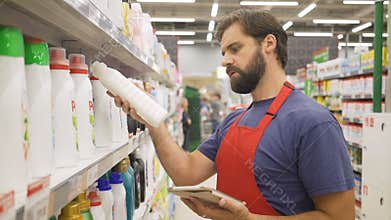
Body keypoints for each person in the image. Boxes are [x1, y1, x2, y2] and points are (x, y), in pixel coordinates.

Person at [109, 9, 355, 220]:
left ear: (269, 44)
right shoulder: (234, 121)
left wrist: (249, 219)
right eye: (224, 52)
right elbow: (187, 172)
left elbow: (339, 217)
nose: (225, 60)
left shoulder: (313, 122)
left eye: (235, 49)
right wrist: (152, 120)